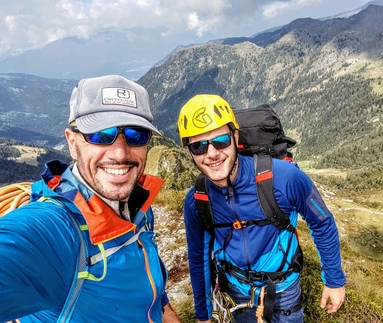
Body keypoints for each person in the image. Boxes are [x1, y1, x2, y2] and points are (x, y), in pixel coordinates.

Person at [0, 75, 181, 323]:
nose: (120, 152)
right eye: (100, 134)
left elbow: (154, 297)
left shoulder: (139, 205)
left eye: (136, 134)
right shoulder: (56, 230)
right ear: (72, 142)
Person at [177, 94, 346, 323]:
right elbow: (198, 257)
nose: (212, 154)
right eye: (198, 146)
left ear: (235, 137)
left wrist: (334, 281)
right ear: (189, 152)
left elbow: (322, 222)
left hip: (284, 288)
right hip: (235, 290)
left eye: (221, 141)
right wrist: (203, 314)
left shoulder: (284, 178)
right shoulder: (197, 200)